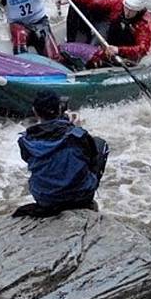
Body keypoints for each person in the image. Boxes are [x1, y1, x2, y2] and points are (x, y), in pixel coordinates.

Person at [13, 90, 109, 218]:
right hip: (79, 197)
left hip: (45, 200)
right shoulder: (77, 135)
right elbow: (91, 156)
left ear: (35, 111)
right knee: (101, 144)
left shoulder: (25, 140)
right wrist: (75, 127)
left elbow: (29, 158)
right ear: (59, 108)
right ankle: (86, 199)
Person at [57, 0, 151, 68]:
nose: (128, 13)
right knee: (65, 49)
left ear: (139, 10)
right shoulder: (118, 2)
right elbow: (94, 2)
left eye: (132, 10)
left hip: (127, 57)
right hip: (109, 50)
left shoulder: (145, 22)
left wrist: (118, 50)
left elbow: (142, 49)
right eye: (127, 8)